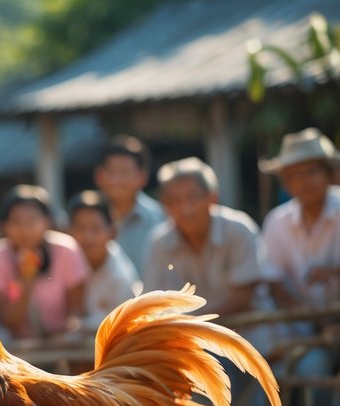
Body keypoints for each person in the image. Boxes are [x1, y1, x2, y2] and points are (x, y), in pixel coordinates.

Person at [258, 129, 340, 406]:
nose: (304, 181)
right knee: (311, 370)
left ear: (329, 173)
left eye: (312, 171)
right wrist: (318, 325)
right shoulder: (277, 223)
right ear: (285, 182)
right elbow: (276, 287)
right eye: (294, 175)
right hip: (303, 333)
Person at [144, 158, 266, 318]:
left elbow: (243, 297)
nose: (185, 208)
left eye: (192, 197)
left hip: (248, 332)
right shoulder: (159, 242)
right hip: (185, 337)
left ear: (212, 198)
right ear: (165, 204)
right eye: (174, 200)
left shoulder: (238, 230)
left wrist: (196, 325)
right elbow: (154, 302)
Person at [0, 185, 89, 342]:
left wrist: (69, 331)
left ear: (47, 221)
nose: (24, 229)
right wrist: (25, 280)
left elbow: (76, 310)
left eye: (32, 220)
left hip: (64, 344)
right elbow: (9, 321)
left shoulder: (66, 249)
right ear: (4, 226)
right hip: (16, 348)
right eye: (16, 221)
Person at [68, 191, 141, 330]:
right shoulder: (62, 259)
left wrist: (80, 325)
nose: (87, 237)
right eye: (80, 228)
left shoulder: (122, 276)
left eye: (95, 228)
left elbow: (121, 322)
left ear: (113, 231)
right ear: (69, 231)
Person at [94, 135, 166, 276]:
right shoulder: (85, 220)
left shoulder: (160, 220)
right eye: (111, 171)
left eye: (125, 172)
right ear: (99, 176)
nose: (117, 179)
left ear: (142, 177)